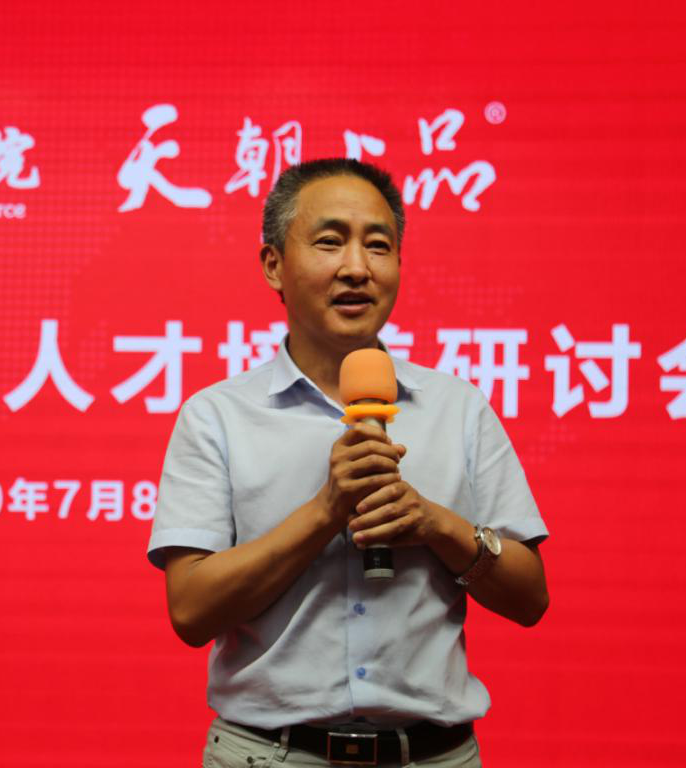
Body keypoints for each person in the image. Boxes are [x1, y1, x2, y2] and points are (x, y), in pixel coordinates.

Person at [147, 158, 549, 767]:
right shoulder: (217, 416)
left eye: (378, 246)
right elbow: (191, 611)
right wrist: (325, 512)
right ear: (274, 265)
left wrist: (437, 525)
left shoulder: (458, 408)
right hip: (270, 756)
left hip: (434, 756)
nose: (357, 267)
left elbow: (530, 598)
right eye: (330, 241)